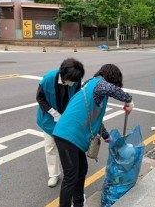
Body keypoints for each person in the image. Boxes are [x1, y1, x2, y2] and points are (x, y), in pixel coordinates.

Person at [52, 64, 134, 207]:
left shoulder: (93, 87)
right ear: (112, 78)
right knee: (70, 176)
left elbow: (94, 117)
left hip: (74, 137)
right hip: (67, 135)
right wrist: (128, 99)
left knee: (81, 169)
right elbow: (111, 89)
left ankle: (78, 203)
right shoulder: (99, 83)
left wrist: (105, 135)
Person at [36, 58, 85, 187]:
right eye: (71, 81)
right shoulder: (48, 79)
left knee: (67, 145)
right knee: (50, 146)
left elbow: (76, 98)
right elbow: (39, 98)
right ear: (63, 75)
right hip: (48, 118)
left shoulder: (76, 79)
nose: (73, 83)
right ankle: (54, 175)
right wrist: (54, 113)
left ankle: (70, 172)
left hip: (67, 118)